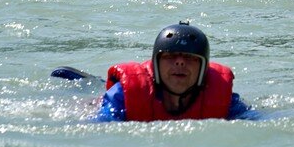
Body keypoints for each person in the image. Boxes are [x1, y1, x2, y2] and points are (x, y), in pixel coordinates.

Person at [95, 22, 257, 121]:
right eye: (170, 56)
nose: (180, 62)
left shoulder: (224, 99)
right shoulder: (122, 96)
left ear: (203, 68)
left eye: (189, 57)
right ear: (155, 65)